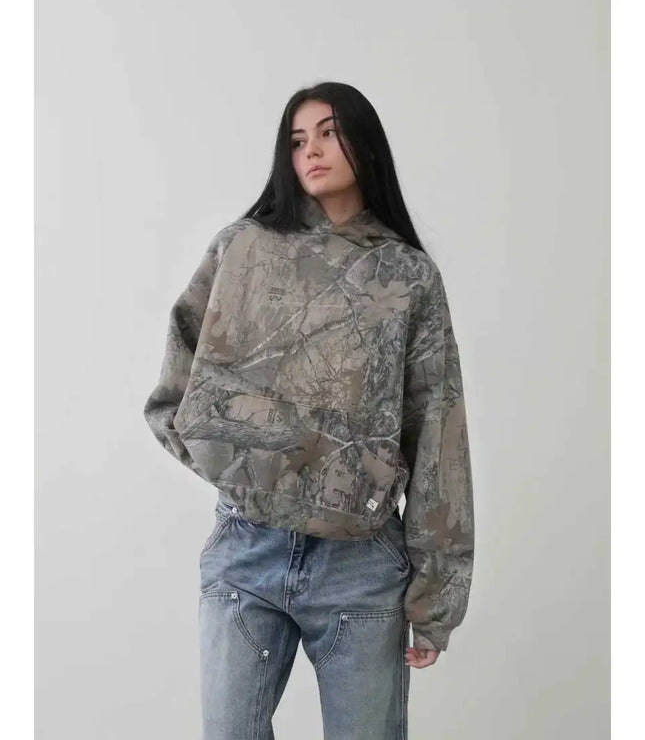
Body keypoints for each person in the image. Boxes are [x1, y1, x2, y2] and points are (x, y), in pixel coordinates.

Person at [143, 81, 475, 740]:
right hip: (247, 550)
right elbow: (175, 389)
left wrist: (435, 598)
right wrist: (239, 473)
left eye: (328, 132)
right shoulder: (242, 249)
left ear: (365, 144)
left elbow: (437, 432)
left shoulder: (405, 276)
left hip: (360, 563)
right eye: (297, 140)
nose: (311, 151)